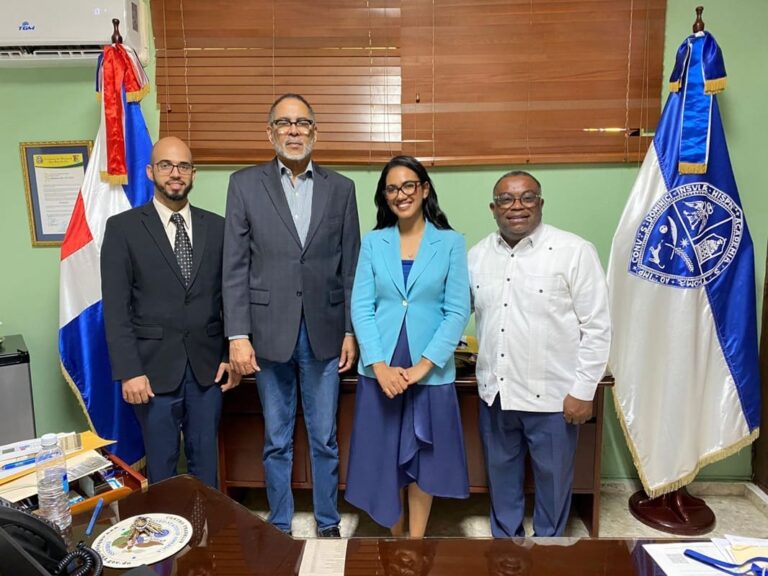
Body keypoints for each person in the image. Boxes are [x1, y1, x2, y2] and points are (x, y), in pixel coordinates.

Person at [222, 94, 360, 537]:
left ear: (315, 132)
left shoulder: (342, 188)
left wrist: (350, 330)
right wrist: (237, 334)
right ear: (271, 133)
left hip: (323, 332)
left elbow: (349, 266)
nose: (294, 130)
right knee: (276, 438)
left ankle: (327, 521)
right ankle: (279, 524)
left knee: (324, 438)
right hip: (267, 333)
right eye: (285, 123)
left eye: (302, 123)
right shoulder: (244, 184)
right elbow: (235, 266)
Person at [468, 170, 610, 537]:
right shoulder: (476, 256)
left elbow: (598, 327)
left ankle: (547, 551)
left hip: (554, 399)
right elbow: (455, 313)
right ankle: (505, 547)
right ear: (493, 208)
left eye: (527, 197)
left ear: (541, 203)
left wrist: (583, 390)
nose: (517, 206)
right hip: (496, 396)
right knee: (501, 480)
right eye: (506, 199)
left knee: (553, 484)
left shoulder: (574, 251)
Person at [101, 136, 239, 488]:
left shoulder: (219, 228)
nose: (175, 173)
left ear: (194, 174)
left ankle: (205, 534)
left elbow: (230, 297)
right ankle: (167, 539)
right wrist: (130, 371)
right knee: (161, 468)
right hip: (151, 371)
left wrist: (228, 354)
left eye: (183, 166)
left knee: (206, 464)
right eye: (166, 165)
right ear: (151, 172)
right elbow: (116, 308)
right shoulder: (123, 229)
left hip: (209, 369)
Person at [345, 155, 471, 537]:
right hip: (381, 366)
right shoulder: (374, 243)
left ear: (424, 189)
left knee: (423, 455)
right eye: (392, 188)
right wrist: (380, 365)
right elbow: (361, 306)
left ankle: (415, 541)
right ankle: (394, 537)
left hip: (428, 368)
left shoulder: (450, 242)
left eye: (408, 186)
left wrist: (423, 366)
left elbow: (457, 310)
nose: (401, 194)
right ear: (384, 196)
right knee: (384, 456)